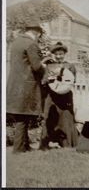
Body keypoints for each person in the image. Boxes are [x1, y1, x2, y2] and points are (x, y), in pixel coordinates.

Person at [7, 22, 46, 153]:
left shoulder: (16, 42)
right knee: (23, 118)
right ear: (37, 33)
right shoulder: (31, 44)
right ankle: (18, 149)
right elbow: (36, 66)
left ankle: (24, 146)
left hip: (15, 85)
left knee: (21, 117)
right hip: (26, 86)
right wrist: (44, 67)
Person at [39, 42, 78, 149]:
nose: (59, 56)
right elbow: (43, 81)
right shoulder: (49, 66)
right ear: (53, 55)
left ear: (64, 54)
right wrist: (48, 79)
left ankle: (66, 143)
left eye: (61, 54)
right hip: (52, 96)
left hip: (65, 96)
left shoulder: (70, 66)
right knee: (50, 117)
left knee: (66, 117)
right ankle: (49, 142)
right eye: (56, 54)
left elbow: (73, 81)